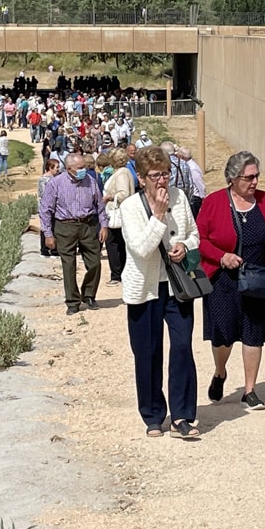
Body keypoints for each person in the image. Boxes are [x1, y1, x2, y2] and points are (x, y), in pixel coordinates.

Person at [118, 145, 201, 438]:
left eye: (165, 173)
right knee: (147, 352)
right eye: (155, 175)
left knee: (182, 346)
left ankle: (182, 415)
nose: (162, 180)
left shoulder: (180, 198)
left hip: (177, 285)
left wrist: (185, 246)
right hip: (145, 288)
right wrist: (158, 215)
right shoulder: (130, 207)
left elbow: (194, 234)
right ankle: (153, 414)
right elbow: (141, 249)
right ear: (142, 179)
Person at [196, 151, 265, 410]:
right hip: (223, 279)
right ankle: (220, 371)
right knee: (223, 335)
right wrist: (221, 257)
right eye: (249, 177)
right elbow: (199, 239)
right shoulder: (213, 202)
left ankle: (249, 390)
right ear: (233, 178)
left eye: (256, 176)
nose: (255, 182)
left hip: (257, 277)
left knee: (253, 333)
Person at [39, 152, 109, 314]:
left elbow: (99, 205)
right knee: (69, 265)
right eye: (80, 168)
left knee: (95, 262)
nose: (83, 170)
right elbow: (45, 210)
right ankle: (72, 301)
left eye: (84, 167)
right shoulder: (55, 184)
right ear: (69, 169)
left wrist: (104, 225)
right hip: (65, 226)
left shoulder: (90, 181)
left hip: (88, 225)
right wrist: (48, 234)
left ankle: (89, 294)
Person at [103, 148, 136, 286]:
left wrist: (109, 197)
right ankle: (120, 272)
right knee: (120, 244)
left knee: (113, 244)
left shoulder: (122, 173)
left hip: (118, 213)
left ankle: (117, 274)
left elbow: (124, 193)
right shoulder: (123, 172)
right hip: (119, 212)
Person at [36, 158, 62, 257]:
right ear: (50, 168)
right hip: (48, 207)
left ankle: (47, 250)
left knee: (47, 227)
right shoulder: (47, 179)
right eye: (57, 167)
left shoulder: (46, 178)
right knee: (50, 228)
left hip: (47, 207)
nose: (58, 169)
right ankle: (51, 250)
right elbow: (45, 194)